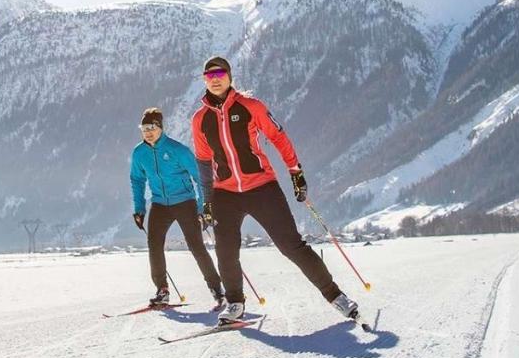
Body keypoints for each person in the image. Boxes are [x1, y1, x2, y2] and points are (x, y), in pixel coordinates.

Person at [190, 56, 359, 325]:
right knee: (225, 250)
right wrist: (207, 203)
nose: (216, 78)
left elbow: (278, 136)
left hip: (261, 187)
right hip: (225, 193)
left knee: (291, 245)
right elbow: (203, 162)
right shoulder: (200, 120)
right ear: (204, 80)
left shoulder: (251, 106)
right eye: (210, 75)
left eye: (221, 73)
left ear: (230, 76)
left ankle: (336, 295)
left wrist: (296, 172)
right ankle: (235, 303)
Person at [129, 107, 224, 307]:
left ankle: (217, 290)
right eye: (144, 128)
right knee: (154, 245)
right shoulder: (139, 153)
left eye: (151, 127)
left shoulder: (178, 150)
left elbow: (200, 178)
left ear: (160, 128)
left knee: (196, 246)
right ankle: (162, 290)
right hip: (159, 204)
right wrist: (139, 209)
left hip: (185, 202)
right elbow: (137, 180)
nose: (147, 132)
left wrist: (202, 207)